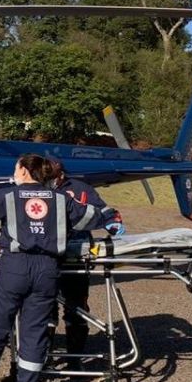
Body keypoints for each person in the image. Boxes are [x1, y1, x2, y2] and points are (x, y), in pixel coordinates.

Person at [0, 154, 103, 382]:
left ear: (24, 171)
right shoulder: (61, 199)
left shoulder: (5, 196)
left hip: (14, 267)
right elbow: (92, 218)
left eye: (16, 168)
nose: (14, 172)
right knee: (35, 333)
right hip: (48, 269)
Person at [46, 156, 125, 370]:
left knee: (76, 308)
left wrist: (113, 223)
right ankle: (43, 357)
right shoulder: (37, 190)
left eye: (53, 176)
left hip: (76, 255)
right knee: (43, 308)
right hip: (46, 257)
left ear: (61, 174)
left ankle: (75, 359)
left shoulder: (80, 189)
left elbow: (104, 210)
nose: (50, 181)